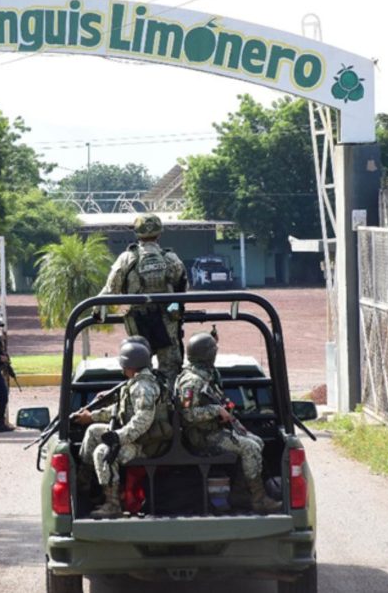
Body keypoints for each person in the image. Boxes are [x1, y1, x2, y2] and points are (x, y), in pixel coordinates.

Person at [174, 332, 281, 513]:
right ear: (208, 355)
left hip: (213, 431)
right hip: (202, 437)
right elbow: (187, 414)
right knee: (250, 447)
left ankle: (239, 493)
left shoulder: (206, 376)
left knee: (257, 441)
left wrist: (226, 409)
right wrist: (216, 410)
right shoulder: (191, 382)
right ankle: (259, 499)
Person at [96, 213, 187, 386]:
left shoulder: (126, 259)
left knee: (139, 368)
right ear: (159, 234)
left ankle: (143, 395)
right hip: (167, 321)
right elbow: (182, 288)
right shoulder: (171, 259)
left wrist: (97, 310)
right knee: (170, 370)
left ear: (137, 234)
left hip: (138, 322)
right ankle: (169, 399)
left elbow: (110, 290)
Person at [72, 340, 159, 519]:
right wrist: (91, 416)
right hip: (134, 438)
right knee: (93, 431)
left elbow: (142, 421)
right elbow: (120, 411)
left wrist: (117, 437)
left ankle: (112, 504)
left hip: (145, 445)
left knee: (103, 452)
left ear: (129, 365)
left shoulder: (144, 388)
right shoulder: (134, 383)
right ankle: (86, 485)